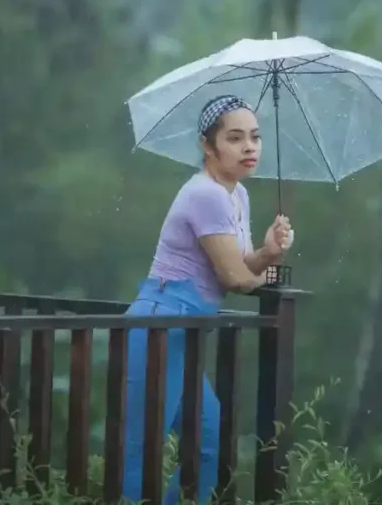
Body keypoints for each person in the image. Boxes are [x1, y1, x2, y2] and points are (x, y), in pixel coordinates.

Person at [121, 94, 293, 505]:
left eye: (254, 137)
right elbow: (234, 276)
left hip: (186, 327)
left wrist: (269, 252)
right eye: (234, 138)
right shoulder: (205, 194)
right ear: (207, 145)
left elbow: (244, 262)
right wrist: (260, 271)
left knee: (207, 440)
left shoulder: (236, 195)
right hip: (160, 322)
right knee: (141, 449)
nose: (249, 147)